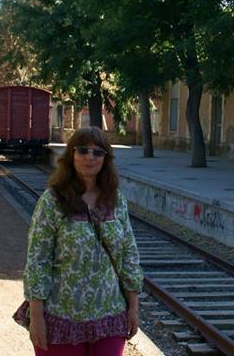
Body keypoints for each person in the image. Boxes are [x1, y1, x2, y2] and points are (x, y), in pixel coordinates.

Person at [15, 126, 143, 356]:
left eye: (98, 152)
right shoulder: (52, 201)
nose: (89, 157)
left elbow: (129, 255)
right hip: (61, 317)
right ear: (71, 154)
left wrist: (133, 308)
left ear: (106, 159)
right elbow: (38, 260)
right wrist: (36, 316)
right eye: (82, 150)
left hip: (109, 316)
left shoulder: (116, 201)